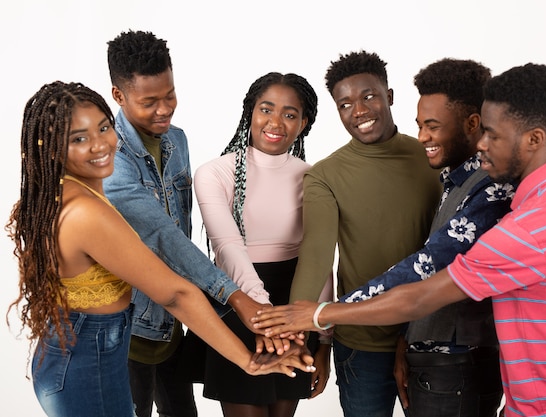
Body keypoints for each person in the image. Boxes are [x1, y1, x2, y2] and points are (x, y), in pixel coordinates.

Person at [253, 63, 546, 417]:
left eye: (491, 134)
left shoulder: (526, 229)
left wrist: (318, 315)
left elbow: (421, 291)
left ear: (534, 138)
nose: (481, 143)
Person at [5, 81, 315, 417]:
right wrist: (247, 361)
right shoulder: (87, 214)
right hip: (87, 370)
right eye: (79, 138)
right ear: (52, 149)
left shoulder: (62, 194)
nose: (101, 145)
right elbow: (176, 294)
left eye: (104, 128)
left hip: (72, 355)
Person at [103, 30, 285, 417]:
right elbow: (163, 236)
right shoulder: (109, 157)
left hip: (173, 325)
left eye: (169, 95)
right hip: (127, 331)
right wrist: (236, 297)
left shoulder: (177, 142)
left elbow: (189, 234)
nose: (164, 109)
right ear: (118, 95)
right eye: (149, 102)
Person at [339, 58, 514, 417]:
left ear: (472, 123)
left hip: (456, 366)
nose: (422, 137)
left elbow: (426, 266)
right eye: (420, 126)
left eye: (432, 127)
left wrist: (325, 313)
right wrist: (408, 339)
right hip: (436, 361)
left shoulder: (491, 188)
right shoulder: (456, 180)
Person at [288, 50, 442, 417]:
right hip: (361, 341)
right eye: (345, 104)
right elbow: (316, 258)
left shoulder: (431, 155)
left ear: (389, 96)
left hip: (428, 336)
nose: (358, 110)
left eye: (369, 96)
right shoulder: (325, 175)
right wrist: (299, 330)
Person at [184, 71, 334, 417]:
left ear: (303, 124)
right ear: (250, 111)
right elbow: (227, 246)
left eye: (290, 114)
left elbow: (320, 257)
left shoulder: (315, 178)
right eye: (266, 109)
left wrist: (323, 338)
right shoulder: (215, 173)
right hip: (238, 303)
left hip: (296, 309)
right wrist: (265, 317)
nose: (276, 122)